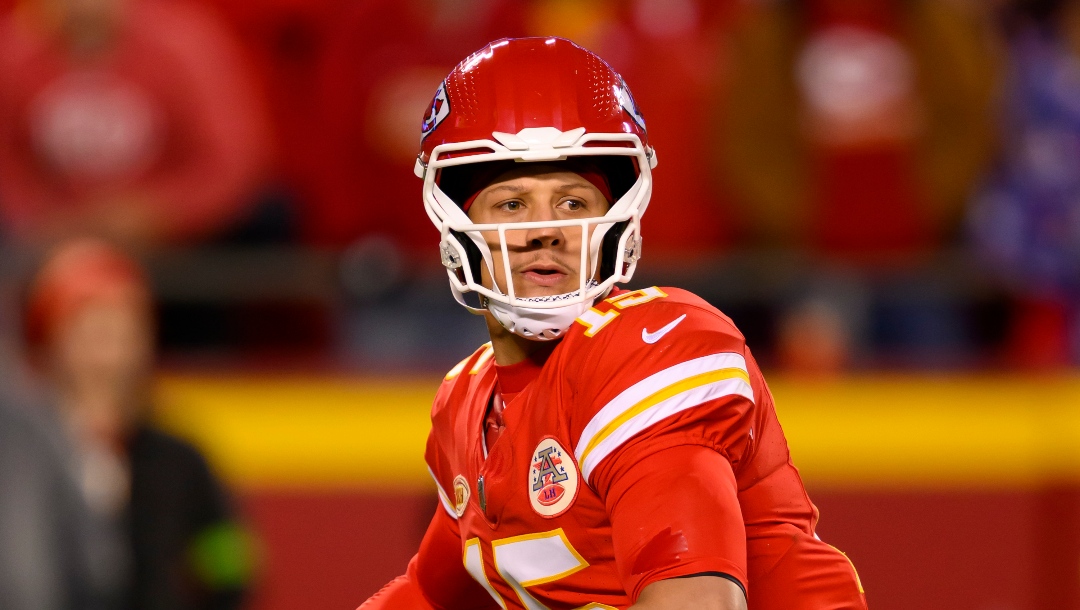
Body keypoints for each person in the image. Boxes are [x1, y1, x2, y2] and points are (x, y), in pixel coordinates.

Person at [358, 37, 866, 610]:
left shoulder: (651, 346)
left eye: (573, 202)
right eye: (511, 203)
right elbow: (428, 594)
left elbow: (693, 603)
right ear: (455, 222)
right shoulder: (467, 401)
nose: (545, 229)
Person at [22, 239, 254, 610]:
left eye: (125, 328)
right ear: (52, 342)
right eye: (91, 328)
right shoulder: (24, 461)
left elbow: (232, 568)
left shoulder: (179, 460)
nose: (111, 350)